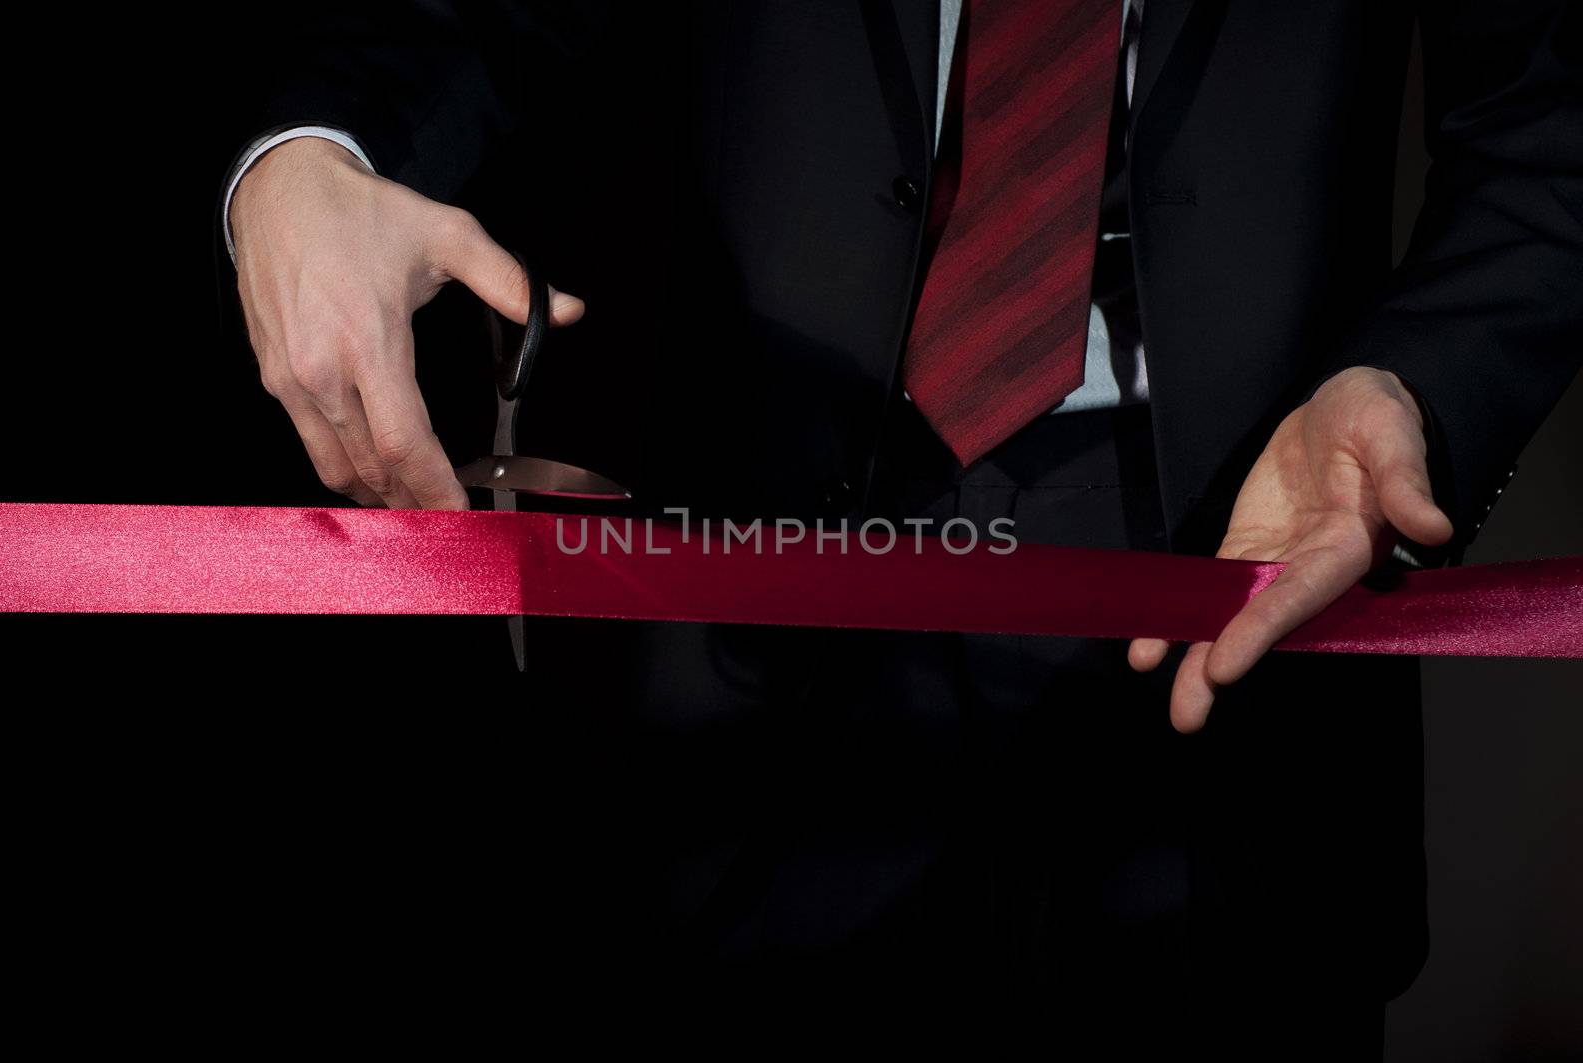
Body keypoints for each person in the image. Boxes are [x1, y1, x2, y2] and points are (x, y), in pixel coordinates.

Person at [219, 0, 1581, 1053]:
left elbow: (1555, 125)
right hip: (727, 631)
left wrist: (1419, 384)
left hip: (1241, 596)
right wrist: (309, 160)